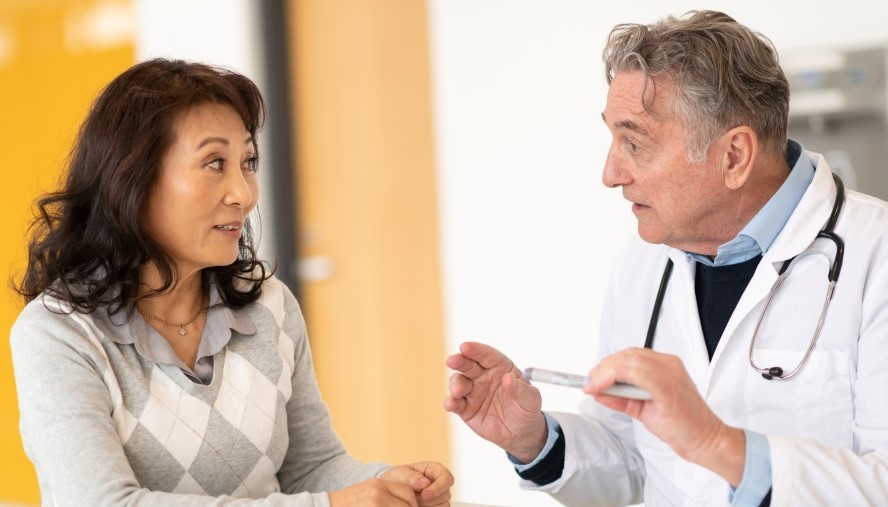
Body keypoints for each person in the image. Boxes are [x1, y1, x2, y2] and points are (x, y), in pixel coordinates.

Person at [444, 10, 888, 507]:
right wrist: (533, 440)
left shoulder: (877, 257)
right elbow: (635, 461)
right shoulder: (645, 261)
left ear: (734, 156)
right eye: (613, 139)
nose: (610, 173)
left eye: (634, 143)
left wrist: (715, 443)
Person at [11, 58, 452, 506]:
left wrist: (390, 482)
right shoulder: (57, 334)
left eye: (247, 162)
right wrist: (327, 505)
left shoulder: (270, 306)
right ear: (132, 179)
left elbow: (310, 467)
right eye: (214, 163)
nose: (243, 194)